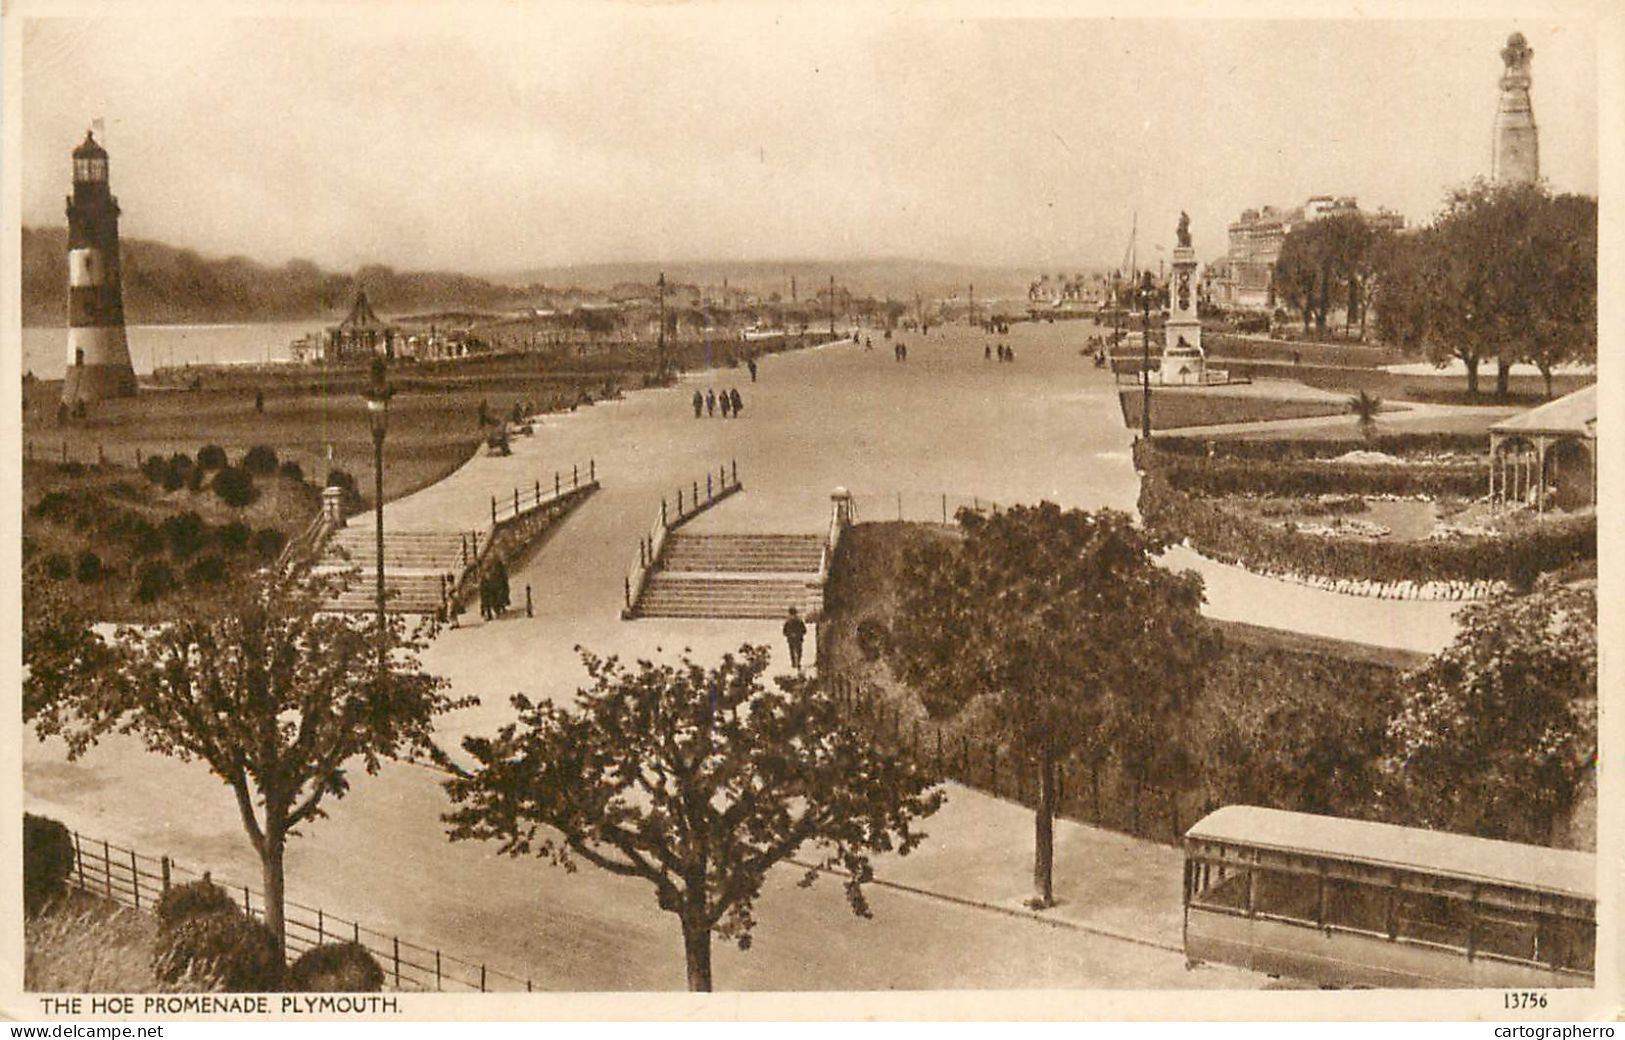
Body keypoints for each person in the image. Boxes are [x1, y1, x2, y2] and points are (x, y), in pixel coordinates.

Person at [783, 606, 807, 671]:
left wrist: (789, 635)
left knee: (792, 650)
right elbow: (804, 630)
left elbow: (784, 631)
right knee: (799, 650)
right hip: (798, 638)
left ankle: (793, 662)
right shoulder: (799, 620)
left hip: (791, 638)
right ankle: (798, 662)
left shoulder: (788, 621)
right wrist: (799, 634)